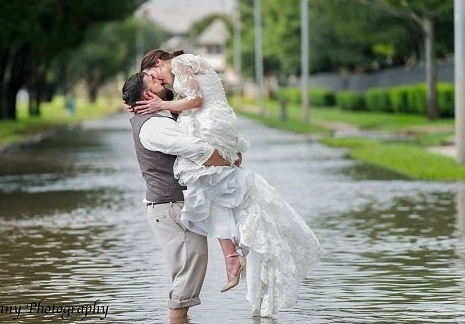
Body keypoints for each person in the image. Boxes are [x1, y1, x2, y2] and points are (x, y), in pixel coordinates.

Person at [133, 49, 324, 317]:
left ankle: (232, 258)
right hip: (205, 124)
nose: (161, 81)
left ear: (159, 61)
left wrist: (163, 105)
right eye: (154, 80)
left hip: (208, 120)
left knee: (209, 185)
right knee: (212, 189)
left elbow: (197, 100)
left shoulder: (180, 65)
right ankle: (233, 256)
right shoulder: (158, 114)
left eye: (155, 74)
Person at [122, 72, 239, 322]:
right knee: (189, 271)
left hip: (176, 206)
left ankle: (179, 318)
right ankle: (176, 319)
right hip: (171, 208)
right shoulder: (153, 125)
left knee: (190, 270)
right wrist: (229, 161)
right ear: (147, 95)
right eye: (155, 81)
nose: (163, 81)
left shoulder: (161, 117)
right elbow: (196, 149)